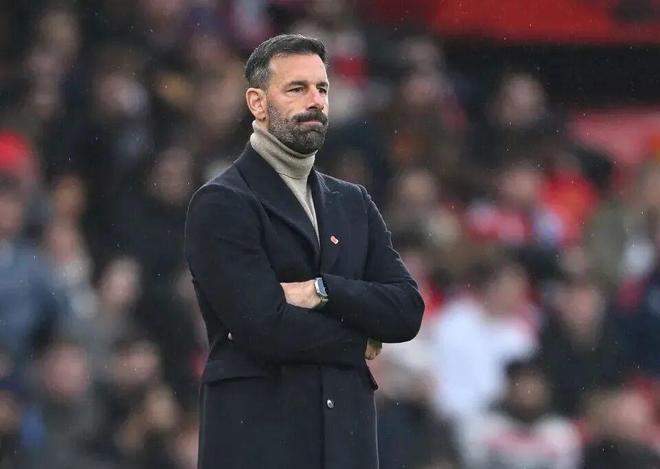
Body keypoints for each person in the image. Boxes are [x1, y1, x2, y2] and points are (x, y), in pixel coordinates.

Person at [184, 34, 424, 469]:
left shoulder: (353, 202)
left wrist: (322, 290)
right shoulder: (222, 202)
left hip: (345, 444)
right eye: (297, 88)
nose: (315, 101)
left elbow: (406, 311)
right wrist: (362, 338)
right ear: (257, 103)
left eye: (322, 88)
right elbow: (263, 327)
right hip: (260, 442)